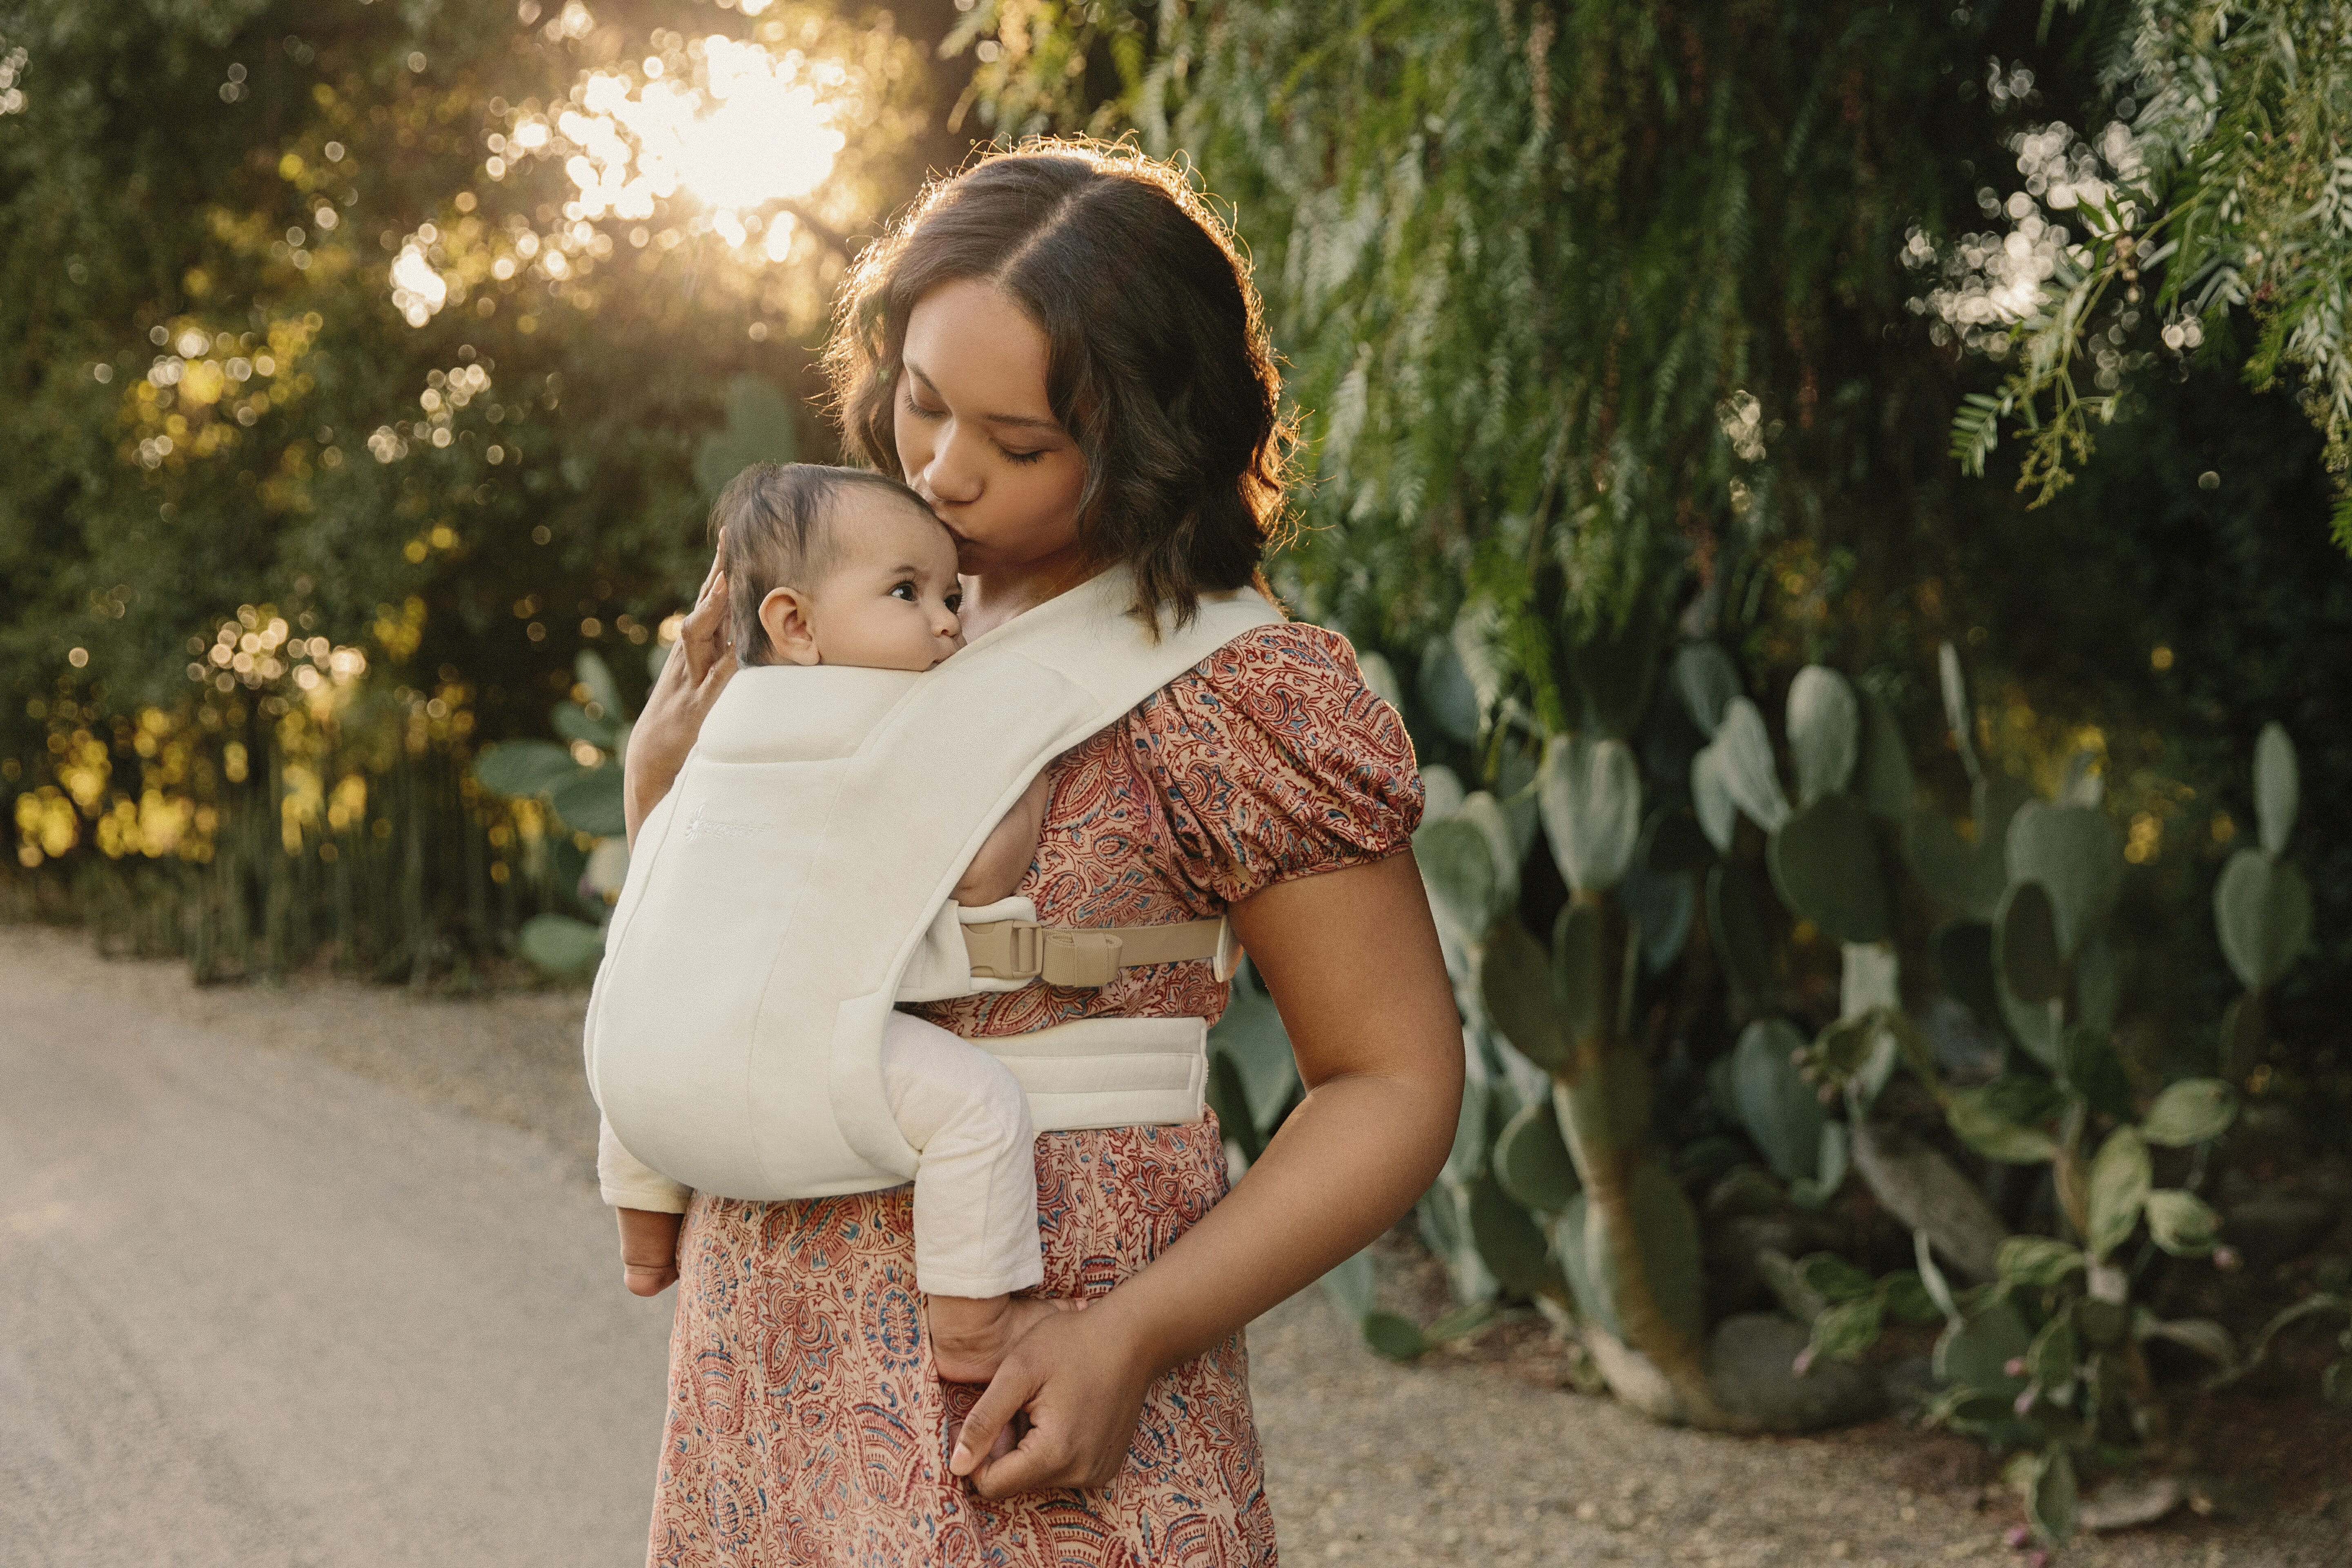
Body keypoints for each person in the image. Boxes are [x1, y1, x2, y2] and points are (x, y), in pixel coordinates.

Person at [621, 140, 1463, 1567]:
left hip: (1051, 1382)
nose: (943, 475)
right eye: (922, 402)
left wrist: (1133, 1334)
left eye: (1019, 447)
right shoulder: (820, 614)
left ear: (1147, 440)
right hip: (770, 1359)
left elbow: (1394, 1078)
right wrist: (660, 785)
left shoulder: (1226, 692)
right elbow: (714, 959)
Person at [603, 460, 1061, 1390]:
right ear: (796, 624)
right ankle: (972, 1330)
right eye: (908, 592)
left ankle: (646, 1247)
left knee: (651, 1027)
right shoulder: (900, 720)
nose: (946, 621)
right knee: (978, 1109)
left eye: (950, 596)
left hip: (639, 1064)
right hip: (799, 1057)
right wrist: (1027, 766)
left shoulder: (716, 723)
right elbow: (981, 881)